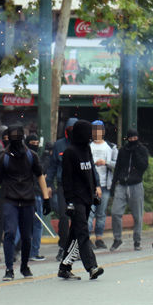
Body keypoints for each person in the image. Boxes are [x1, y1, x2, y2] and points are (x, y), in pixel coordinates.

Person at [0, 125, 51, 281]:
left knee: (26, 236)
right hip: (10, 201)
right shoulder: (4, 158)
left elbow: (40, 176)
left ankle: (24, 266)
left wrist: (46, 198)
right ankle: (9, 269)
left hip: (28, 201)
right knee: (10, 233)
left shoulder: (32, 156)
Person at [58, 120, 104, 280]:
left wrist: (94, 194)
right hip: (75, 199)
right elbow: (67, 179)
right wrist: (69, 201)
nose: (90, 136)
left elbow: (90, 173)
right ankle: (91, 267)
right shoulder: (70, 152)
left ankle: (65, 267)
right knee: (83, 232)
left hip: (86, 199)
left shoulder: (87, 149)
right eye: (88, 132)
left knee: (75, 234)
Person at [110, 128, 149, 251]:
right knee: (115, 212)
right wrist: (113, 184)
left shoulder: (142, 150)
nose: (132, 140)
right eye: (130, 138)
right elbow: (117, 167)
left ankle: (137, 241)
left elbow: (143, 166)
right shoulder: (123, 151)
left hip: (136, 185)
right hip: (122, 184)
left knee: (137, 215)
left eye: (134, 138)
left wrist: (136, 152)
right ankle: (117, 239)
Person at [47, 117, 78, 261]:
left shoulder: (83, 144)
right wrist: (48, 185)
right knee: (64, 218)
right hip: (63, 187)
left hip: (79, 187)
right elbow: (52, 166)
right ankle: (63, 247)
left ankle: (76, 248)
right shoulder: (59, 145)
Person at [88, 121, 117, 250]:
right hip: (90, 185)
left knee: (101, 213)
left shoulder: (110, 147)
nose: (97, 133)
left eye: (100, 130)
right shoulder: (87, 146)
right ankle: (87, 238)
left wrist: (106, 163)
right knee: (89, 213)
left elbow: (117, 164)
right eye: (95, 130)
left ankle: (99, 238)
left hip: (105, 185)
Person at [25, 133, 46, 261]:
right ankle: (33, 252)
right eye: (33, 143)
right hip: (34, 194)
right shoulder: (35, 157)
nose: (35, 146)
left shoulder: (22, 156)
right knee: (37, 224)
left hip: (26, 194)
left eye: (37, 143)